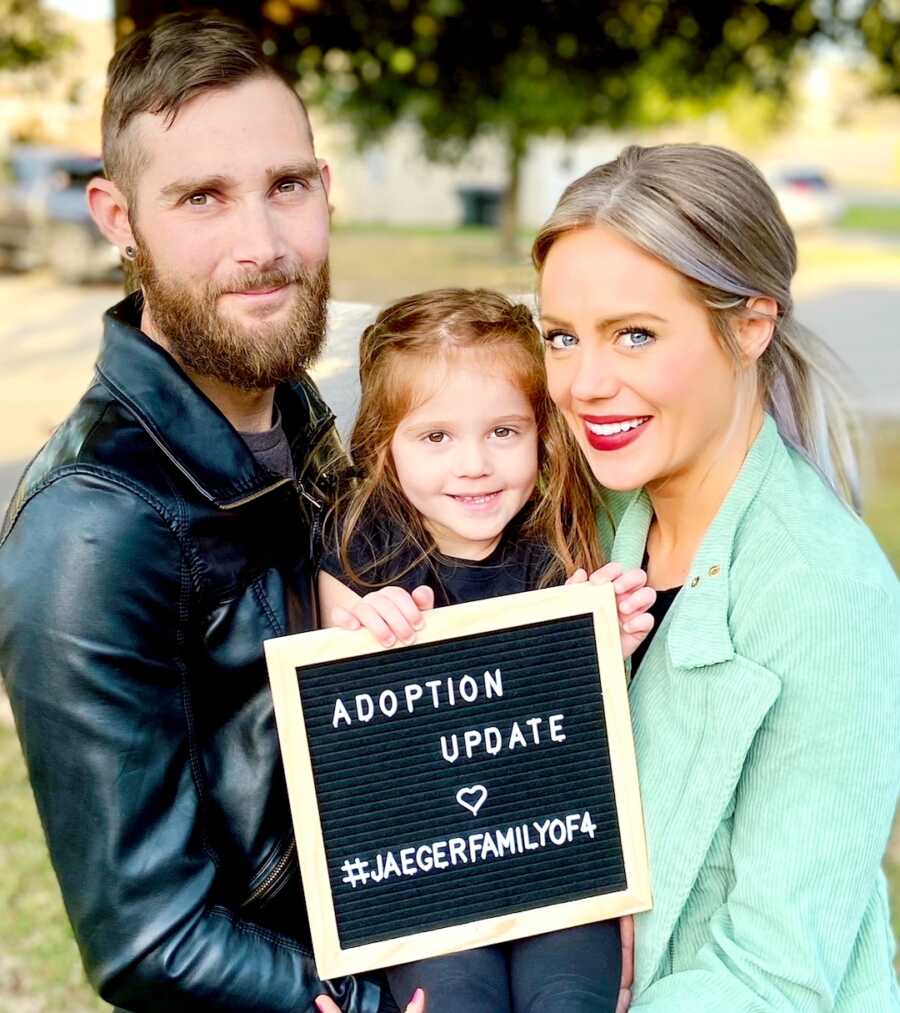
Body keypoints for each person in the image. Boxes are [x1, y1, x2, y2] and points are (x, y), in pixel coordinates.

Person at [0, 13, 413, 1012]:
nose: (263, 246)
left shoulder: (296, 407)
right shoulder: (92, 523)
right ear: (117, 216)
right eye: (201, 198)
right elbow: (152, 937)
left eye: (288, 185)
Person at [533, 142, 900, 1010]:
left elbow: (778, 974)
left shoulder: (825, 590)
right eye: (561, 337)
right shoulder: (590, 519)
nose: (585, 384)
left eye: (635, 335)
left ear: (749, 326)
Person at [314, 288, 656, 1013]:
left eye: (503, 431)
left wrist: (606, 642)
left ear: (543, 433)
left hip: (556, 867)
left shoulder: (561, 543)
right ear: (384, 447)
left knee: (568, 998)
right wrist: (357, 632)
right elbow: (339, 729)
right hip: (426, 879)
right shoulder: (358, 550)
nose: (474, 464)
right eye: (435, 437)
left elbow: (578, 742)